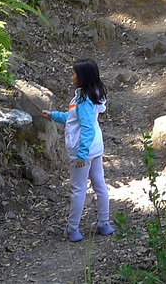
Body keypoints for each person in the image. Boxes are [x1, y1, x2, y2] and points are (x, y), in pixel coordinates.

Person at [41, 60, 113, 242]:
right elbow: (74, 119)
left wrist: (81, 154)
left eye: (73, 74)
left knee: (79, 189)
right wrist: (53, 115)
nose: (71, 77)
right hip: (95, 148)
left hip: (84, 151)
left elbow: (87, 127)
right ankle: (104, 223)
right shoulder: (91, 96)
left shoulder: (83, 101)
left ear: (81, 78)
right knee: (100, 185)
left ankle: (72, 228)